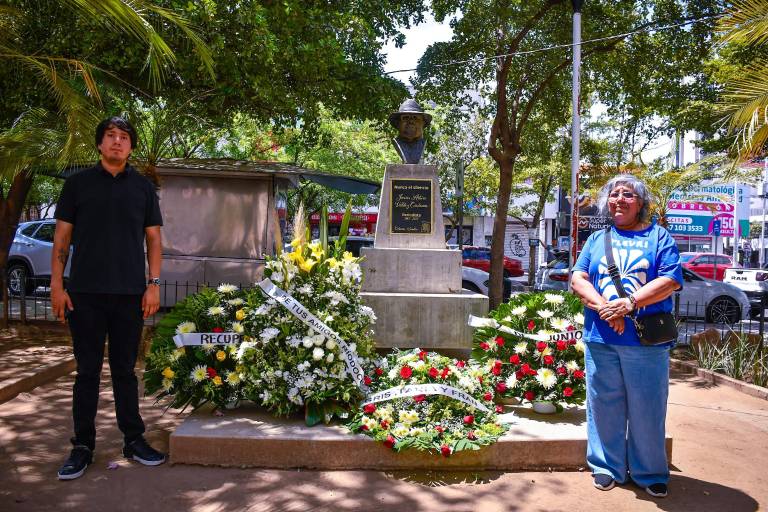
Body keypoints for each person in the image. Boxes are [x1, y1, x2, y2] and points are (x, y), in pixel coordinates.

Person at [51, 117, 165, 480]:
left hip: (130, 295)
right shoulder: (77, 185)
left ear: (130, 146)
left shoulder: (144, 189)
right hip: (84, 294)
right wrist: (57, 285)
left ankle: (134, 439)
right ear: (100, 144)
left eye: (124, 137)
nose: (117, 142)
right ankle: (82, 446)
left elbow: (154, 240)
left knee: (125, 372)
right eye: (111, 137)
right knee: (86, 373)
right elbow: (62, 239)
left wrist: (153, 283)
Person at [570, 174, 683, 499]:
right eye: (614, 194)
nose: (620, 199)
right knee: (604, 405)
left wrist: (630, 303)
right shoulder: (597, 240)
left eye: (628, 195)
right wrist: (608, 308)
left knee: (647, 407)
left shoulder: (659, 237)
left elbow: (670, 280)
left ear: (641, 203)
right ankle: (607, 467)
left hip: (645, 343)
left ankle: (649, 472)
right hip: (601, 340)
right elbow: (578, 278)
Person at [388, 98, 431, 164]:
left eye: (415, 118)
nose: (411, 121)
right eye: (405, 117)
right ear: (397, 123)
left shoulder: (423, 143)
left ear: (423, 123)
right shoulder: (397, 143)